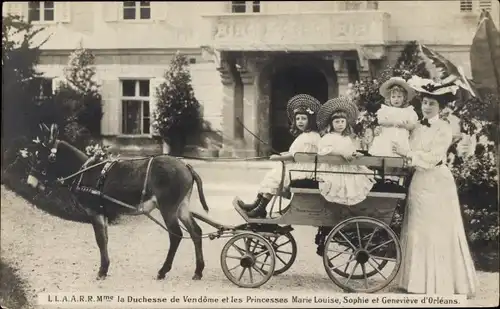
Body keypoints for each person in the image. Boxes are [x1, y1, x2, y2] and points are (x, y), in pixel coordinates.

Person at [392, 77, 477, 296]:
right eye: (425, 102)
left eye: (432, 103)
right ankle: (415, 283)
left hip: (437, 181)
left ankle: (441, 284)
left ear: (440, 107)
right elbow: (407, 150)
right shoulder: (417, 128)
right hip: (419, 181)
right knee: (418, 228)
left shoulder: (444, 128)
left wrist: (408, 154)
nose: (427, 107)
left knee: (437, 229)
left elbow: (433, 157)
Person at [237, 94, 322, 218]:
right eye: (297, 119)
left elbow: (296, 156)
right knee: (274, 172)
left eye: (303, 119)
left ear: (311, 120)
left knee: (276, 175)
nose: (300, 122)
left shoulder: (309, 137)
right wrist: (283, 155)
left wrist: (279, 158)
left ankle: (261, 207)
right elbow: (298, 153)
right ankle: (258, 204)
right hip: (303, 166)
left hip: (306, 170)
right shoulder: (308, 135)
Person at [316, 97, 376, 206]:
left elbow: (350, 151)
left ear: (346, 123)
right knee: (337, 186)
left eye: (342, 121)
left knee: (356, 180)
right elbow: (324, 151)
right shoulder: (328, 137)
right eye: (337, 122)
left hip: (347, 167)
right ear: (331, 123)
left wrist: (354, 154)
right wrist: (341, 153)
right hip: (334, 168)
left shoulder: (346, 138)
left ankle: (346, 209)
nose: (340, 124)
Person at [370, 77, 419, 183]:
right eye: (393, 97)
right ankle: (386, 177)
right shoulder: (386, 110)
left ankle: (396, 178)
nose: (396, 99)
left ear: (404, 98)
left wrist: (404, 125)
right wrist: (393, 123)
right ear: (389, 98)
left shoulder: (409, 111)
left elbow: (413, 125)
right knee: (387, 156)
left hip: (401, 137)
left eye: (399, 97)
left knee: (399, 158)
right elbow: (381, 121)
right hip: (387, 137)